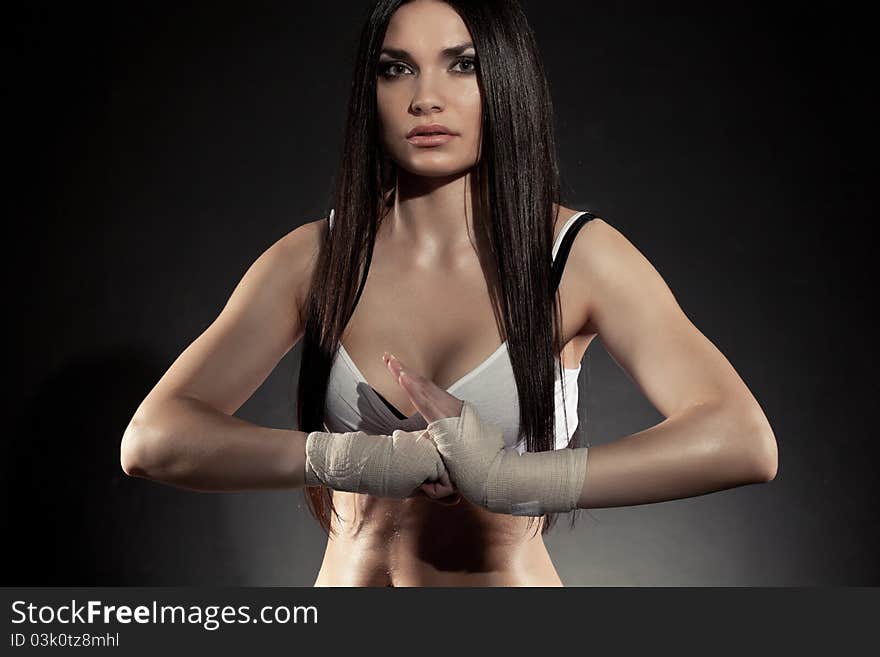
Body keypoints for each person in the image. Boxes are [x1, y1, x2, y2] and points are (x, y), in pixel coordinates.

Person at [120, 0, 778, 587]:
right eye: (395, 68)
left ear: (504, 79)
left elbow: (743, 440)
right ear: (367, 92)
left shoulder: (576, 258)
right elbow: (152, 440)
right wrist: (355, 459)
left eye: (460, 65)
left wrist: (508, 480)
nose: (424, 98)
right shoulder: (314, 260)